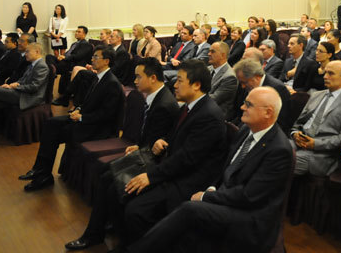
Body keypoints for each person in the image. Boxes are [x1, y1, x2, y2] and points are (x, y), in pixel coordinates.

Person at [66, 60, 227, 251]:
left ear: (196, 85)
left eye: (180, 80)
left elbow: (187, 159)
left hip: (186, 180)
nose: (174, 85)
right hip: (171, 167)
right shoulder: (190, 107)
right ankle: (119, 240)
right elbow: (176, 138)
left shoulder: (208, 115)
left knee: (135, 208)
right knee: (113, 184)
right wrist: (162, 141)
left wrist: (150, 176)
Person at [124, 86, 292, 253]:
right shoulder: (246, 130)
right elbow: (226, 168)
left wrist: (207, 196)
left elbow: (249, 196)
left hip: (249, 216)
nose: (242, 107)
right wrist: (212, 188)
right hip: (228, 197)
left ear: (268, 113)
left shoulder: (279, 150)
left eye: (249, 105)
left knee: (190, 209)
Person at [20, 45, 124, 191]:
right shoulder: (98, 77)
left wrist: (81, 117)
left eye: (96, 57)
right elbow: (88, 102)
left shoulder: (112, 83)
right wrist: (79, 109)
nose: (92, 59)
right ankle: (40, 171)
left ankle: (43, 175)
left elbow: (106, 115)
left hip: (97, 128)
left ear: (106, 61)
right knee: (50, 123)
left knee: (54, 134)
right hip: (86, 119)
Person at [290, 60, 341, 176]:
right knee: (273, 150)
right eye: (325, 73)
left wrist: (315, 144)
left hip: (320, 153)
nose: (325, 77)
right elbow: (298, 122)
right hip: (298, 141)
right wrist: (295, 133)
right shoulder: (316, 95)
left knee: (284, 162)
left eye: (330, 73)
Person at [0, 43, 49, 146]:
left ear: (37, 52)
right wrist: (12, 85)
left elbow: (34, 87)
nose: (25, 54)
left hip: (28, 97)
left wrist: (16, 87)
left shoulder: (41, 66)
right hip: (21, 92)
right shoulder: (32, 64)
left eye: (28, 51)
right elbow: (22, 80)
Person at [232, 58, 292, 133]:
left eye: (245, 82)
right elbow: (238, 112)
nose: (243, 86)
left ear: (256, 77)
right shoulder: (247, 85)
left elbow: (280, 122)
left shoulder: (278, 89)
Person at [49, 26, 93, 95]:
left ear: (84, 34)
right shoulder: (74, 44)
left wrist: (64, 58)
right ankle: (53, 72)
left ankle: (52, 71)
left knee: (52, 67)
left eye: (79, 32)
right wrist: (61, 56)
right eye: (76, 31)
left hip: (74, 63)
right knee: (49, 57)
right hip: (67, 61)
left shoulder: (86, 45)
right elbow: (68, 53)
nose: (76, 33)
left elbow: (78, 56)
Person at [207, 42, 238, 119]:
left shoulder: (230, 77)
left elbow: (213, 99)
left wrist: (193, 96)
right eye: (209, 51)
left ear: (223, 55)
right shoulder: (208, 69)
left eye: (212, 52)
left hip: (215, 116)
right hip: (205, 108)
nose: (209, 54)